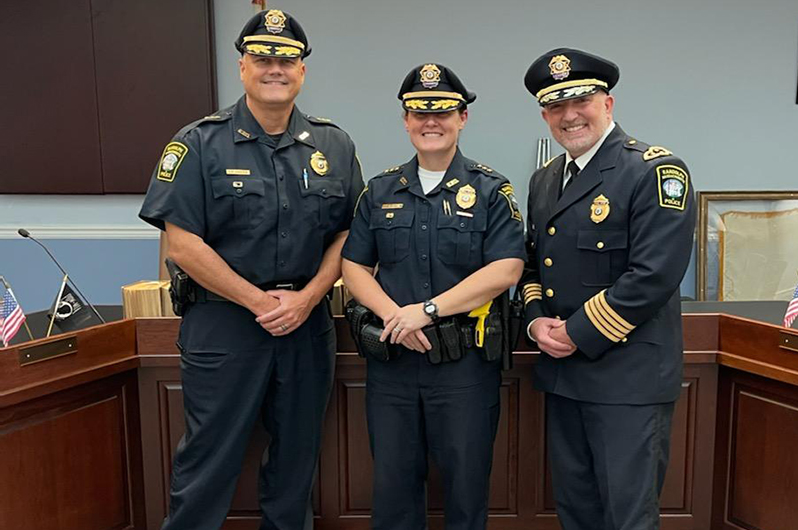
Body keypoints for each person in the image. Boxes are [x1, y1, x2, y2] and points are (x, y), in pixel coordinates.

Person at [138, 10, 364, 529]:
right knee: (208, 460)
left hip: (306, 326)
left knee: (296, 463)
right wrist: (259, 302)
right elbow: (182, 244)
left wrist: (307, 299)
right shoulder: (198, 142)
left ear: (302, 71)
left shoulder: (335, 145)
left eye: (287, 60)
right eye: (263, 58)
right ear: (243, 67)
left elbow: (349, 234)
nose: (275, 69)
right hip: (224, 325)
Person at [340, 64, 525, 530]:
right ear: (405, 121)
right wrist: (394, 317)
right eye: (418, 113)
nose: (430, 122)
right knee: (393, 490)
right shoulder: (379, 191)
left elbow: (506, 268)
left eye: (443, 111)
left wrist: (427, 311)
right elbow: (353, 266)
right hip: (393, 365)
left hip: (464, 368)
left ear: (462, 118)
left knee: (466, 490)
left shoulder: (490, 190)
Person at [519, 48, 696, 530]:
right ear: (544, 115)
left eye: (581, 100)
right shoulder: (545, 180)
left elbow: (654, 275)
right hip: (564, 375)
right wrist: (536, 322)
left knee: (627, 515)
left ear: (608, 103)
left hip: (628, 378)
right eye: (556, 105)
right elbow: (534, 265)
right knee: (576, 510)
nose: (570, 115)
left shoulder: (654, 170)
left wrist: (577, 331)